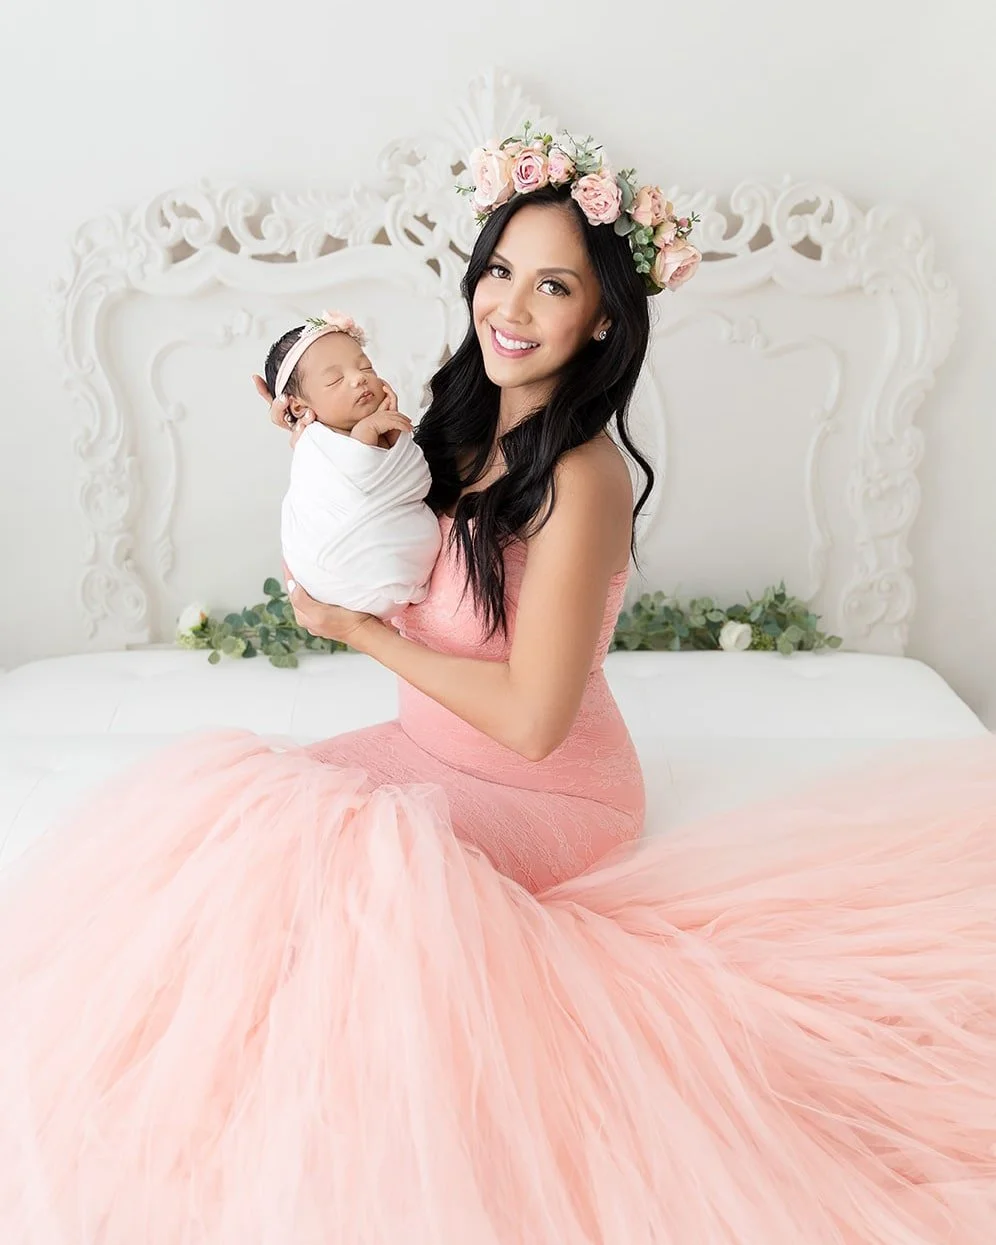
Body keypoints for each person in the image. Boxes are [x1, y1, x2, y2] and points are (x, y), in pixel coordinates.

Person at [0, 128, 994, 1244]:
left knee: (354, 905)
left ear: (604, 317)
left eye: (554, 285)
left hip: (547, 787)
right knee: (236, 834)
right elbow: (363, 543)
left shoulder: (582, 476)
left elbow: (531, 722)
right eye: (501, 271)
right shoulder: (454, 418)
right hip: (421, 744)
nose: (510, 308)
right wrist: (322, 443)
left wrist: (355, 636)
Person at [267, 309, 441, 617]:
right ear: (299, 406)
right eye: (335, 380)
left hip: (405, 571)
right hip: (344, 577)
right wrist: (367, 433)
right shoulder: (314, 445)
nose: (359, 377)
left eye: (365, 367)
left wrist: (395, 440)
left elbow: (417, 478)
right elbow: (355, 476)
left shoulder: (381, 428)